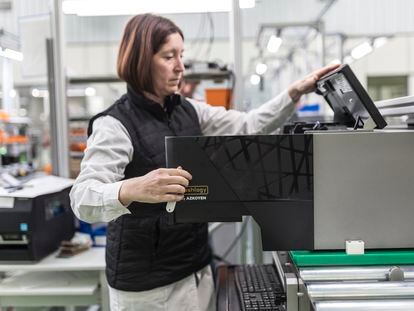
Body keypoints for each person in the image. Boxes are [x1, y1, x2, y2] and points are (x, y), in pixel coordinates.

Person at [70, 13, 339, 311]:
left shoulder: (188, 111)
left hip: (196, 269)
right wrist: (133, 188)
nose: (180, 67)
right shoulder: (114, 124)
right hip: (147, 287)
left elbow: (248, 125)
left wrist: (294, 92)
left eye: (181, 55)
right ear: (141, 60)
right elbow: (82, 198)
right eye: (168, 56)